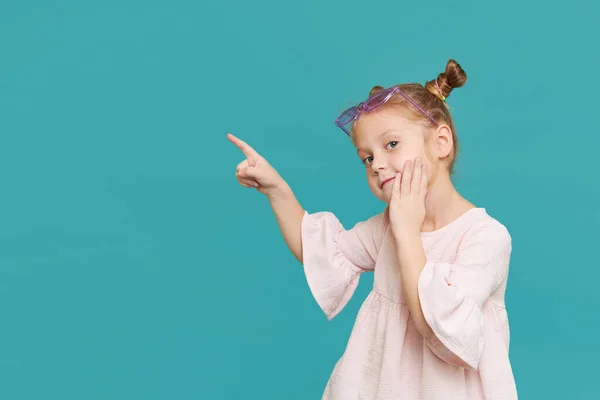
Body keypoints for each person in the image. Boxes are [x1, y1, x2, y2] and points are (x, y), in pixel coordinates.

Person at [227, 59, 518, 399]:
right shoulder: (386, 226)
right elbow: (323, 254)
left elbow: (440, 332)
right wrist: (276, 189)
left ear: (441, 143)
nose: (377, 164)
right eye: (366, 158)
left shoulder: (485, 237)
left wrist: (407, 231)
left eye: (391, 144)